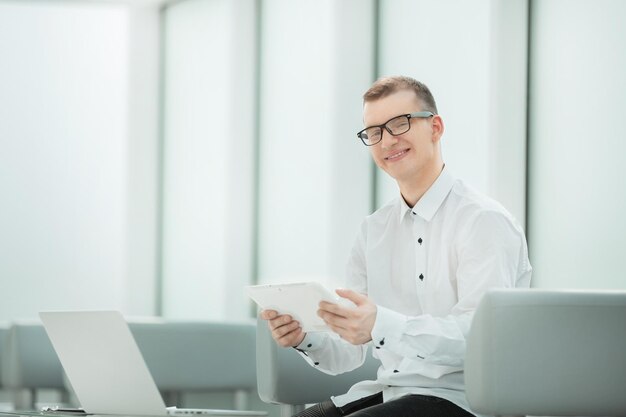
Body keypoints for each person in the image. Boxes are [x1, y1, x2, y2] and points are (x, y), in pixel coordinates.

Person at [260, 75, 532, 417]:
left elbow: (477, 340)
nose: (387, 141)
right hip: (389, 393)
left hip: (464, 401)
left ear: (435, 127)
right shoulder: (373, 230)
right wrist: (303, 337)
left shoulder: (483, 221)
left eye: (399, 124)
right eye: (374, 131)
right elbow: (350, 352)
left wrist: (380, 324)